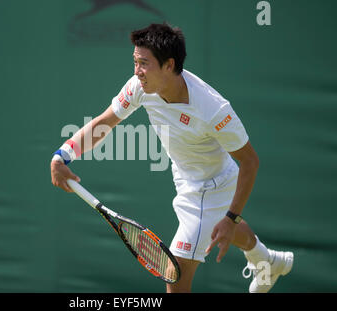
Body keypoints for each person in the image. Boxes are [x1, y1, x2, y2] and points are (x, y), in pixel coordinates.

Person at [50, 23, 294, 293]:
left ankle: (251, 247)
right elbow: (105, 122)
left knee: (174, 275)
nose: (137, 71)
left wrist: (231, 217)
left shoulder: (213, 109)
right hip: (185, 176)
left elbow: (250, 162)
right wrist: (64, 154)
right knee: (215, 227)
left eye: (144, 63)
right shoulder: (139, 87)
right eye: (135, 62)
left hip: (211, 186)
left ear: (169, 65)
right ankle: (266, 260)